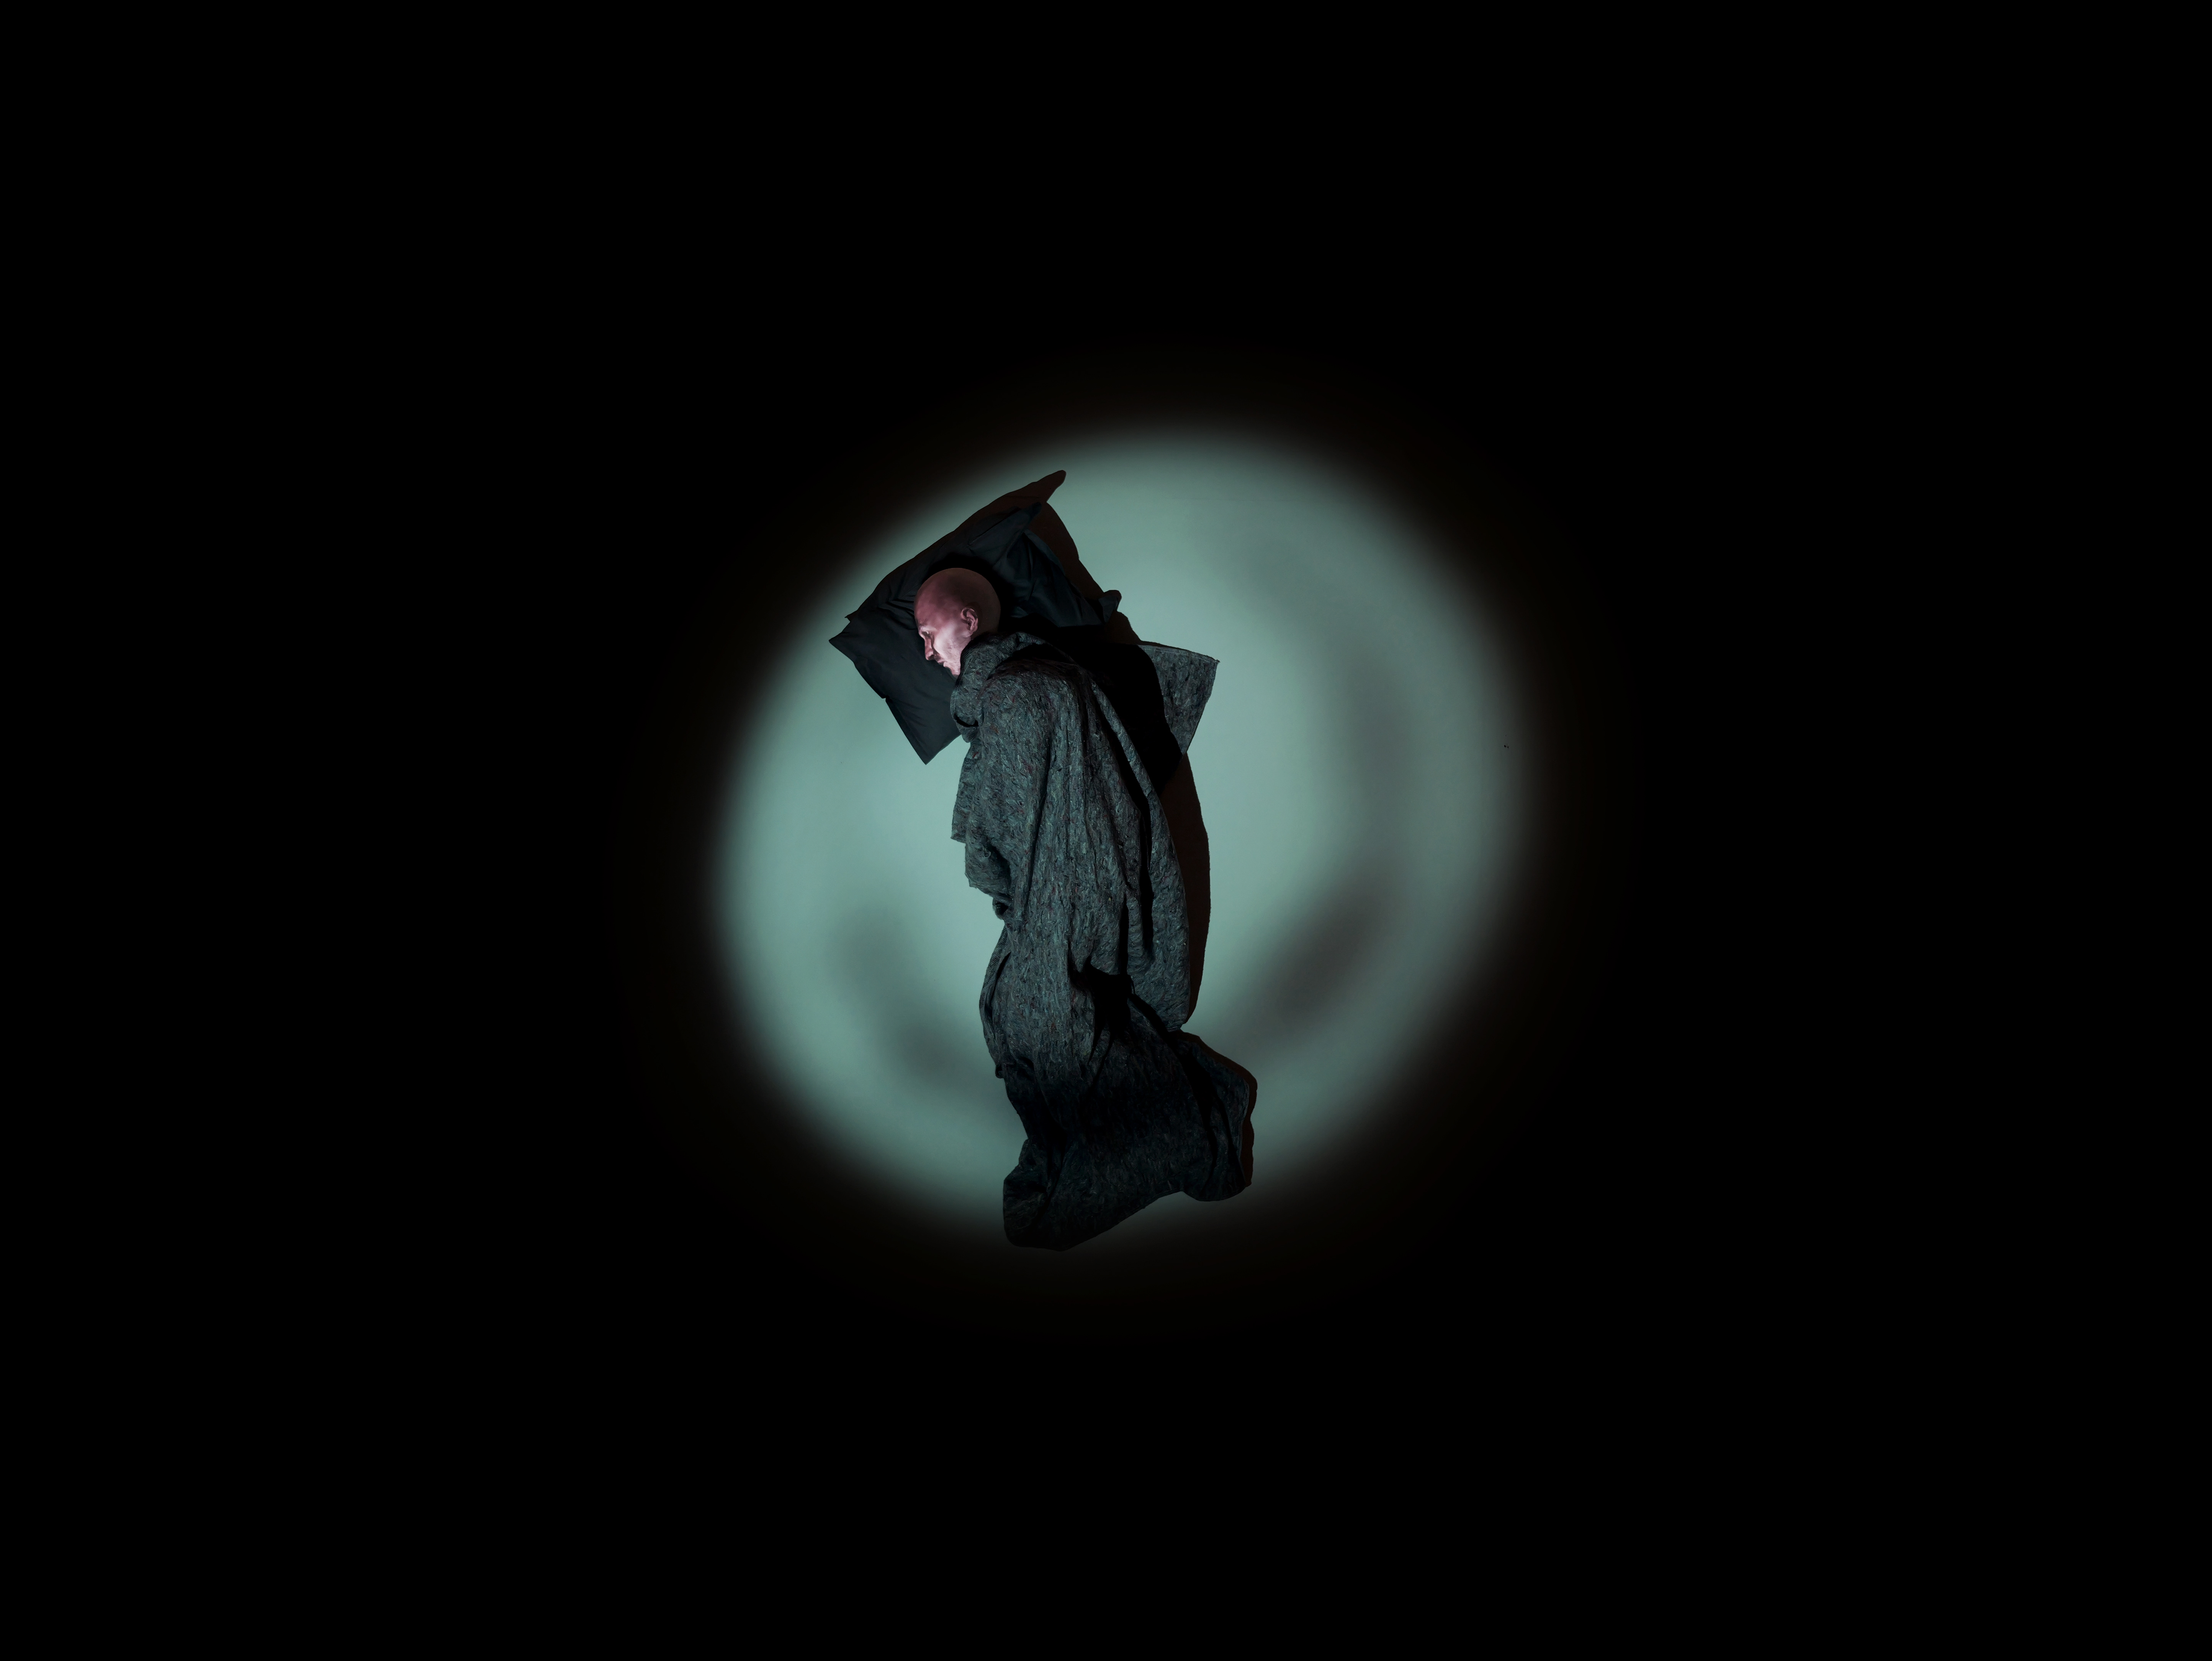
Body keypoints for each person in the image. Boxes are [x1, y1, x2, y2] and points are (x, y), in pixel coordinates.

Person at [918, 541, 1255, 1250]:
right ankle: (1166, 1132)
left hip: (1073, 889)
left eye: (928, 632)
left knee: (1039, 1023)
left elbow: (1043, 824)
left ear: (968, 621)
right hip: (1056, 892)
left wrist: (1034, 893)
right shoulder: (1012, 694)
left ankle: (1189, 1129)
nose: (926, 652)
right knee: (1022, 1023)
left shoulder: (1023, 690)